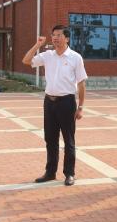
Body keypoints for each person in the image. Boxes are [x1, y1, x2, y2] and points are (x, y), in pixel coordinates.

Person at [22, 25, 87, 186]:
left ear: (67, 38)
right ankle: (50, 172)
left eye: (59, 35)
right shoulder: (48, 55)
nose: (55, 38)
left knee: (68, 139)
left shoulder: (75, 57)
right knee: (50, 139)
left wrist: (80, 107)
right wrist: (38, 45)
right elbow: (26, 61)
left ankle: (69, 173)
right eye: (53, 35)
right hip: (49, 102)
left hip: (67, 102)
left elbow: (81, 83)